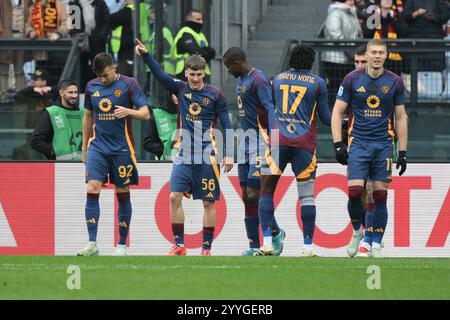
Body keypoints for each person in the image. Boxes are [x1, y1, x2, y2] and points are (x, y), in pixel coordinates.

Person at [136, 39, 233, 256]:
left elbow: (226, 123)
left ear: (204, 74)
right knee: (174, 196)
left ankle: (206, 248)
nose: (195, 78)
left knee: (208, 202)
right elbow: (160, 74)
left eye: (199, 75)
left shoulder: (215, 94)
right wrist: (146, 55)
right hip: (184, 153)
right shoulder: (179, 88)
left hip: (208, 154)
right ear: (186, 73)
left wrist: (229, 154)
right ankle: (179, 245)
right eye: (192, 74)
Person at [331, 39, 408, 258]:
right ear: (367, 54)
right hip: (358, 143)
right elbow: (337, 112)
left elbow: (401, 117)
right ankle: (358, 232)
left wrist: (402, 152)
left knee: (380, 195)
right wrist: (338, 144)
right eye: (373, 52)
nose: (376, 56)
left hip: (384, 144)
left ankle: (375, 243)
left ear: (386, 55)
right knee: (356, 192)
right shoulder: (352, 79)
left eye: (381, 52)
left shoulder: (394, 82)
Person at [257, 44, 332, 257]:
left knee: (266, 191)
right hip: (304, 145)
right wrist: (345, 121)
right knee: (307, 197)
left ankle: (268, 243)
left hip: (278, 142)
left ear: (291, 59)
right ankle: (307, 247)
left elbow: (266, 108)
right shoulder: (318, 84)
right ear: (311, 62)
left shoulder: (277, 79)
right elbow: (326, 118)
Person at [77, 52, 150, 256]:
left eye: (106, 75)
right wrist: (84, 149)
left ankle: (121, 245)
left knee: (122, 192)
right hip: (97, 147)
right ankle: (92, 244)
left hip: (122, 149)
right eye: (99, 76)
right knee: (92, 187)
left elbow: (145, 113)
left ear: (114, 68)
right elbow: (88, 117)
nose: (102, 79)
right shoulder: (92, 86)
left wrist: (129, 111)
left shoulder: (129, 84)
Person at [222, 47, 286, 256]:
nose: (228, 72)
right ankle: (253, 246)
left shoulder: (258, 79)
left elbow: (269, 108)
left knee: (254, 193)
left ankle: (275, 233)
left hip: (261, 142)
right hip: (245, 143)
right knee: (245, 196)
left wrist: (274, 139)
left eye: (229, 67)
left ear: (237, 63)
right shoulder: (241, 80)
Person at [31, 79, 84, 160]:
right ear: (61, 93)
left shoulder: (83, 112)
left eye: (76, 92)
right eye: (70, 92)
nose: (74, 95)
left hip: (83, 164)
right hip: (59, 166)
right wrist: (53, 152)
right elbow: (36, 141)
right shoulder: (52, 112)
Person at [322, 0, 362, 107]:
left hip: (348, 57)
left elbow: (358, 33)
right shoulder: (334, 14)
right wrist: (350, 50)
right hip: (335, 59)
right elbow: (335, 34)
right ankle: (332, 114)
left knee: (347, 87)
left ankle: (345, 114)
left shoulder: (352, 13)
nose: (353, 1)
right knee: (336, 87)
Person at [25, 0, 70, 84]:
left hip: (57, 49)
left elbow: (67, 23)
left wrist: (58, 33)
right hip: (40, 51)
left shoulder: (59, 6)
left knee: (57, 78)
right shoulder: (33, 8)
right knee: (40, 78)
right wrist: (30, 31)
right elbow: (27, 24)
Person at [68, 0, 110, 89]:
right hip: (81, 40)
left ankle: (99, 88)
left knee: (98, 65)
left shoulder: (99, 3)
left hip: (97, 40)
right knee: (82, 66)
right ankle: (84, 90)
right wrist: (79, 35)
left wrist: (101, 36)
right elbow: (74, 24)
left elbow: (107, 21)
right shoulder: (74, 4)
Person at [361, 0, 408, 76]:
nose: (387, 1)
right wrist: (377, 18)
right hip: (376, 56)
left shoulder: (397, 16)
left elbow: (404, 32)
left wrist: (391, 20)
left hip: (394, 58)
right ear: (380, 2)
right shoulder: (373, 15)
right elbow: (367, 33)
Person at [172, 9, 216, 82]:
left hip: (201, 72)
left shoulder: (199, 34)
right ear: (189, 20)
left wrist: (206, 52)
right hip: (187, 72)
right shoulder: (185, 33)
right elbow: (195, 51)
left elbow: (211, 52)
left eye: (201, 19)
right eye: (198, 19)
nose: (201, 22)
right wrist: (206, 52)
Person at [0, 0, 32, 98]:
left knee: (19, 68)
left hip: (22, 35)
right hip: (5, 35)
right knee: (3, 67)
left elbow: (30, 16)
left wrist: (29, 30)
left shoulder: (27, 1)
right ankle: (2, 97)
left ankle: (20, 97)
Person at [143, 93, 179, 160]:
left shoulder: (191, 114)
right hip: (164, 165)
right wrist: (165, 148)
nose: (177, 96)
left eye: (180, 93)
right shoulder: (157, 114)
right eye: (175, 93)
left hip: (189, 164)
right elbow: (148, 143)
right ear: (170, 95)